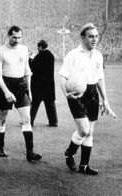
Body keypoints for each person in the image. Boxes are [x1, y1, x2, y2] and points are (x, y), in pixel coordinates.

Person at [59, 23, 117, 175]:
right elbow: (63, 76)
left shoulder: (98, 55)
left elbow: (100, 78)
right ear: (83, 37)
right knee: (83, 130)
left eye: (96, 36)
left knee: (90, 132)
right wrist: (66, 93)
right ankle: (70, 153)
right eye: (91, 36)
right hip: (76, 95)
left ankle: (84, 165)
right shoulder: (73, 55)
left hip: (92, 93)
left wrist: (105, 100)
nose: (94, 39)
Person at [0, 26, 42, 162]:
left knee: (27, 119)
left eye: (19, 37)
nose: (17, 40)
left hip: (21, 85)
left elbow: (27, 70)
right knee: (2, 119)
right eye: (14, 37)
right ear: (8, 36)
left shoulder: (24, 49)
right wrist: (6, 91)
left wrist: (29, 91)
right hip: (5, 84)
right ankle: (0, 147)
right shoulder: (0, 51)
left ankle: (30, 153)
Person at [29, 40, 58, 127]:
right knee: (50, 104)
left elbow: (33, 67)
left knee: (34, 104)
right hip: (49, 84)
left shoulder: (39, 56)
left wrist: (30, 59)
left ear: (41, 47)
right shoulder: (51, 55)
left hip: (38, 85)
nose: (37, 49)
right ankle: (53, 121)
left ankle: (29, 121)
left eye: (38, 47)